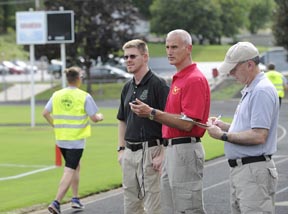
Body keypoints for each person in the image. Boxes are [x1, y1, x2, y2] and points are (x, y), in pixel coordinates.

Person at [130, 29, 210, 214]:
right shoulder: (180, 78)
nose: (169, 51)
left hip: (185, 149)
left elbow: (188, 123)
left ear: (188, 48)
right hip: (174, 148)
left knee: (188, 208)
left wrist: (152, 113)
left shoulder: (193, 79)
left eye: (174, 47)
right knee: (169, 208)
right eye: (167, 47)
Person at [206, 42, 279, 214]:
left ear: (250, 65)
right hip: (246, 171)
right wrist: (225, 126)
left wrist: (223, 135)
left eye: (234, 69)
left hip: (253, 171)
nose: (231, 74)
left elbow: (259, 135)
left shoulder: (261, 91)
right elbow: (249, 128)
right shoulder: (252, 88)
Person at [117, 39, 169, 214]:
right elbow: (122, 119)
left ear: (145, 57)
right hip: (130, 153)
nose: (128, 60)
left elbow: (168, 120)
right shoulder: (127, 87)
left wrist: (163, 153)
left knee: (154, 206)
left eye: (133, 56)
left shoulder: (158, 85)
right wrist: (121, 149)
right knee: (130, 207)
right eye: (125, 57)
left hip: (151, 151)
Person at [42, 66, 104, 214]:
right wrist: (101, 117)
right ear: (78, 79)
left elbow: (45, 113)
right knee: (70, 169)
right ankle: (56, 202)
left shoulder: (57, 94)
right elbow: (94, 118)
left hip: (61, 138)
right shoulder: (84, 96)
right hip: (75, 140)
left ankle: (75, 199)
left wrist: (55, 125)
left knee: (76, 166)